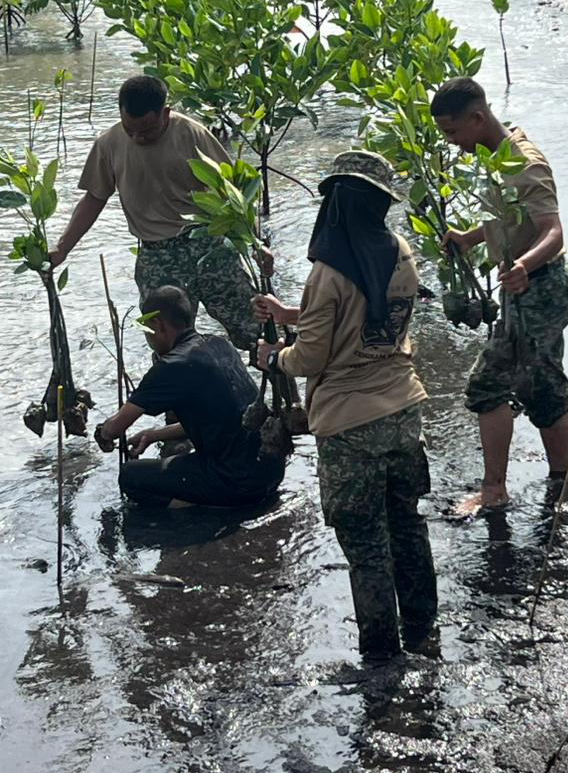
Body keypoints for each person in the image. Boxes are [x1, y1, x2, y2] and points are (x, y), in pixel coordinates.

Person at [256, 150, 437, 663]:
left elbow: (310, 355)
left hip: (349, 424)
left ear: (336, 204)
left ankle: (381, 658)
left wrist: (273, 357)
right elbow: (372, 318)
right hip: (404, 411)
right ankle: (425, 633)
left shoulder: (327, 271)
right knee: (407, 526)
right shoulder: (400, 252)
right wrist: (293, 313)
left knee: (364, 545)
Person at [431, 77, 568, 516]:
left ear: (478, 118)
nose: (452, 142)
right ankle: (561, 482)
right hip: (535, 288)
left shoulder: (523, 161)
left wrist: (522, 266)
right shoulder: (496, 156)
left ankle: (494, 490)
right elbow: (509, 217)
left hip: (543, 288)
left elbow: (552, 232)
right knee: (545, 385)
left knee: (486, 386)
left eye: (453, 132)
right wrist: (471, 237)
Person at [49, 75, 259, 349]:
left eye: (147, 130)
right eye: (130, 129)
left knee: (252, 328)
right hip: (156, 255)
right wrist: (62, 248)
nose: (138, 137)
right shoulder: (109, 144)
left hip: (207, 244)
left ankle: (282, 384)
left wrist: (255, 245)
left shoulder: (191, 134)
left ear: (166, 113)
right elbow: (94, 199)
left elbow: (231, 191)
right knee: (166, 344)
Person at [96, 286, 285, 509]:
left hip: (237, 481)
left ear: (157, 325)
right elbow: (224, 418)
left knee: (131, 477)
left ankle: (204, 509)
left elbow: (114, 429)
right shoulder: (219, 344)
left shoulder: (171, 366)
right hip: (270, 471)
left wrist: (102, 433)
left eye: (146, 330)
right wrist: (155, 434)